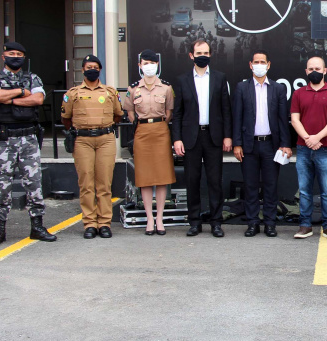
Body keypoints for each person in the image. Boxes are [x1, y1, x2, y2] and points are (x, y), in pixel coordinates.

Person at [0, 41, 56, 246]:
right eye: (11, 53)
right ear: (3, 56)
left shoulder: (32, 78)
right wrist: (21, 92)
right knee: (2, 184)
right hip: (4, 138)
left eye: (19, 54)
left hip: (28, 138)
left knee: (34, 184)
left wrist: (9, 98)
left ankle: (37, 226)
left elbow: (38, 100)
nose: (15, 56)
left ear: (24, 58)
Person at [171, 40, 233, 237]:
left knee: (215, 181)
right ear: (191, 55)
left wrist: (228, 136)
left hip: (213, 136)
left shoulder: (219, 78)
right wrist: (177, 139)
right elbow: (178, 113)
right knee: (192, 180)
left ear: (211, 54)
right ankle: (194, 222)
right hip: (191, 138)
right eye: (199, 52)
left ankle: (216, 222)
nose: (202, 56)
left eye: (206, 52)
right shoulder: (182, 80)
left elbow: (226, 109)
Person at [61, 55, 123, 239]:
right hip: (82, 141)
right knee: (86, 184)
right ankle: (89, 223)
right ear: (82, 70)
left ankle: (104, 223)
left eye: (95, 67)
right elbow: (65, 118)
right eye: (88, 67)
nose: (92, 69)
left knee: (104, 184)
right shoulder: (73, 93)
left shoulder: (110, 92)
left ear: (100, 70)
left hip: (105, 139)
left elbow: (118, 115)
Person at [232, 50, 291, 238]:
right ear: (250, 65)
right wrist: (237, 144)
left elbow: (283, 120)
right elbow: (237, 117)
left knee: (270, 186)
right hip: (249, 145)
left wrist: (285, 143)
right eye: (256, 62)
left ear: (269, 65)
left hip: (271, 145)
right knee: (250, 186)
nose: (259, 65)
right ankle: (252, 223)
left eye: (262, 61)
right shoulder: (242, 88)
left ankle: (270, 223)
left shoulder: (278, 89)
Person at [123, 50, 176, 236]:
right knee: (145, 178)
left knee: (162, 177)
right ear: (140, 65)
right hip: (142, 133)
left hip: (161, 131)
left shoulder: (166, 88)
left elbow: (169, 112)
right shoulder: (133, 89)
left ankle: (160, 218)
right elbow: (130, 113)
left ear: (157, 65)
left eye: (153, 62)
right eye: (145, 63)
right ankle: (149, 219)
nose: (149, 66)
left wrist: (159, 125)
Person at [291, 56, 327, 240]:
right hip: (303, 149)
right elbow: (295, 119)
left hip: (325, 148)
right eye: (311, 68)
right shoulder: (298, 94)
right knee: (304, 190)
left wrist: (317, 138)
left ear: (325, 70)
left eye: (318, 68)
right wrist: (307, 138)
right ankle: (305, 225)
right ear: (306, 71)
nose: (314, 71)